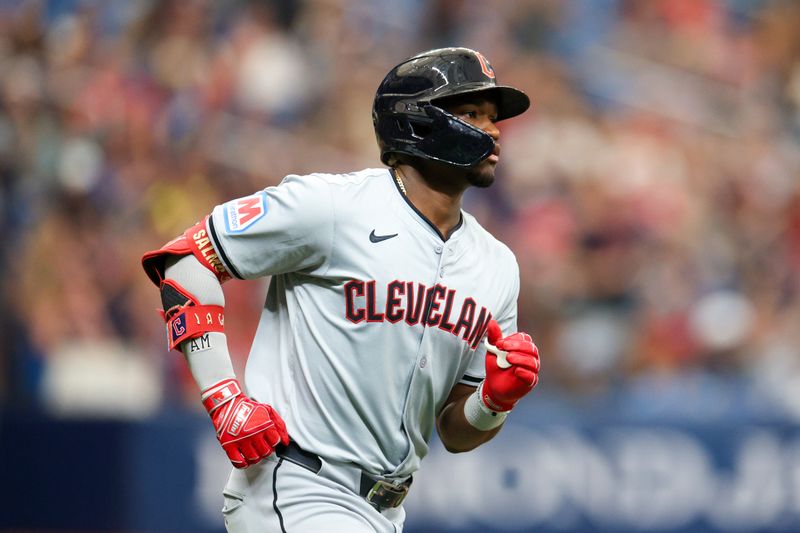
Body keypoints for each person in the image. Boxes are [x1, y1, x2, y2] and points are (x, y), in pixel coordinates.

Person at [142, 47, 540, 533]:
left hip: (386, 510)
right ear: (417, 122)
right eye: (472, 112)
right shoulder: (332, 207)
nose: (494, 129)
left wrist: (493, 403)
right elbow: (187, 259)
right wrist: (225, 397)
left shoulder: (497, 265)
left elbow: (455, 433)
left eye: (494, 117)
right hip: (297, 485)